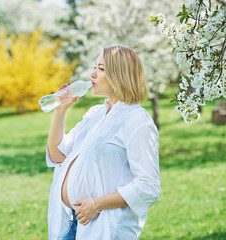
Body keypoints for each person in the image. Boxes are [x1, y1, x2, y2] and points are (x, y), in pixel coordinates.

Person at [45, 46, 161, 240]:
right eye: (95, 67)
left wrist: (96, 204)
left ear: (119, 75)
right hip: (71, 223)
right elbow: (58, 155)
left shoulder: (137, 121)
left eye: (101, 68)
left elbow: (148, 186)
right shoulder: (96, 113)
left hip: (105, 228)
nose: (92, 74)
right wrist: (60, 111)